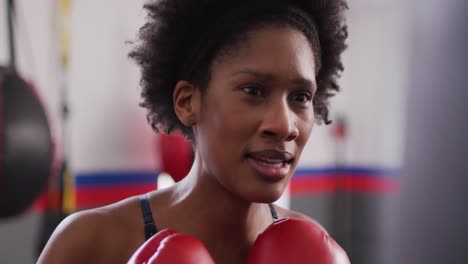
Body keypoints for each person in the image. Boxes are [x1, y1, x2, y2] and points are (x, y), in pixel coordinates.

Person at [37, 0, 348, 263]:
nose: (284, 125)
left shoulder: (317, 251)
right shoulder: (91, 243)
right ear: (188, 102)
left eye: (300, 97)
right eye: (253, 90)